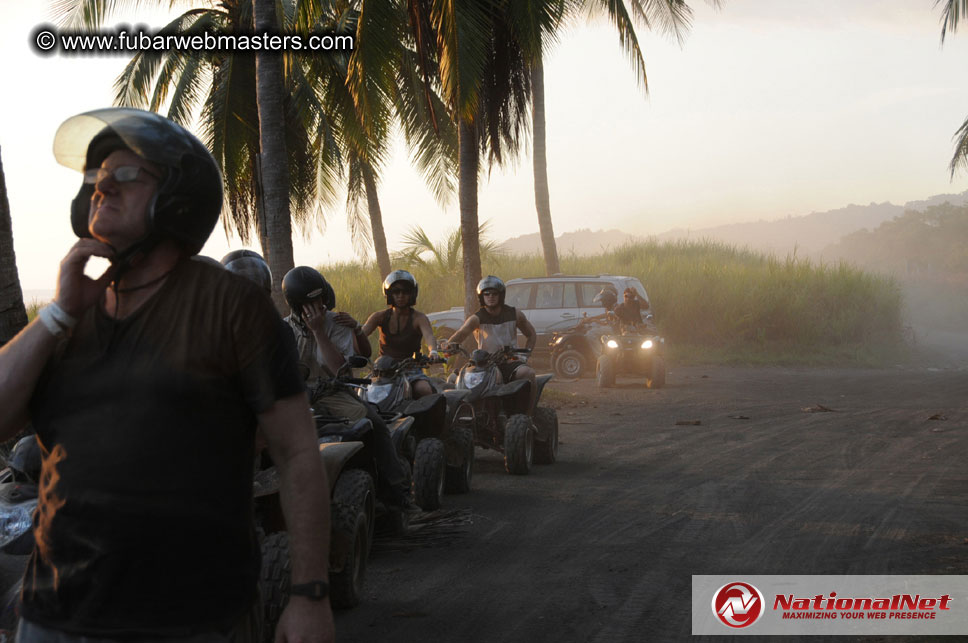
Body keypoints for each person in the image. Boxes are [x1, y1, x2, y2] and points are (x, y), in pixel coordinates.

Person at [0, 108, 334, 643]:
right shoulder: (68, 317)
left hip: (188, 618)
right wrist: (57, 314)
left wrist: (309, 594)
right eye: (94, 179)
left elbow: (296, 452)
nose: (101, 187)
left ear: (177, 197)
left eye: (124, 175)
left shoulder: (232, 307)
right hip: (53, 616)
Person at [282, 266, 417, 513]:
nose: (319, 306)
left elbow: (339, 371)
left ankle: (397, 490)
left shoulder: (336, 323)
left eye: (320, 299)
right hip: (296, 398)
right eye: (310, 302)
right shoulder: (284, 329)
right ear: (296, 304)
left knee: (373, 423)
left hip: (332, 392)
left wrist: (318, 331)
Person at [444, 275, 538, 408]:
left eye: (494, 294)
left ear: (501, 295)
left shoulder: (515, 314)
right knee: (453, 379)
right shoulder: (477, 318)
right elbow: (461, 333)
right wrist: (448, 346)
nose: (491, 297)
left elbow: (531, 334)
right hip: (483, 363)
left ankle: (528, 414)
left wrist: (525, 355)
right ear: (482, 297)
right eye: (487, 294)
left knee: (528, 373)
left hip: (508, 361)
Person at [360, 270, 440, 398]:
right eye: (396, 292)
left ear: (412, 294)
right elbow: (361, 334)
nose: (400, 295)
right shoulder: (379, 317)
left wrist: (433, 352)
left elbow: (429, 336)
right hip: (382, 370)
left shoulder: (418, 318)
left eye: (405, 292)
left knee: (423, 389)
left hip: (410, 370)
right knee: (359, 392)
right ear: (389, 294)